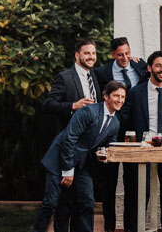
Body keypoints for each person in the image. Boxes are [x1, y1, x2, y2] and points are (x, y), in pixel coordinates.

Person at [32, 81, 127, 232]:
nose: (120, 100)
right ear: (106, 96)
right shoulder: (88, 112)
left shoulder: (115, 122)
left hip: (82, 165)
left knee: (87, 203)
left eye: (123, 97)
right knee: (51, 203)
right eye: (116, 96)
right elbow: (69, 138)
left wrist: (106, 152)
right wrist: (68, 170)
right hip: (59, 160)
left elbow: (110, 144)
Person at [42, 38, 102, 232]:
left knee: (84, 202)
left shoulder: (94, 76)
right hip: (68, 147)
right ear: (77, 55)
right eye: (87, 53)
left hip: (87, 150)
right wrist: (73, 106)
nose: (91, 57)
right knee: (64, 204)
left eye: (93, 53)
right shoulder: (65, 77)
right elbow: (48, 105)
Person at [121, 51, 162, 232]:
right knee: (138, 197)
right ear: (149, 68)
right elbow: (124, 120)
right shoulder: (135, 93)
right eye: (158, 65)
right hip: (143, 150)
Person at [92, 37, 146, 232]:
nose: (125, 58)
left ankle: (131, 227)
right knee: (109, 184)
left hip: (134, 132)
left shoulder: (141, 67)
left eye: (127, 53)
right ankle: (109, 227)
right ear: (112, 55)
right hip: (110, 132)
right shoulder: (101, 73)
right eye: (120, 54)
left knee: (133, 183)